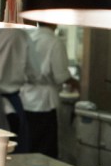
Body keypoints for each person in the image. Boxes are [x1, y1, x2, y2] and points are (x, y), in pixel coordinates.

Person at [20, 22, 77, 158]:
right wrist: (76, 84)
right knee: (45, 149)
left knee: (28, 146)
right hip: (45, 103)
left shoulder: (28, 38)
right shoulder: (54, 42)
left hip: (25, 100)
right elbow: (61, 75)